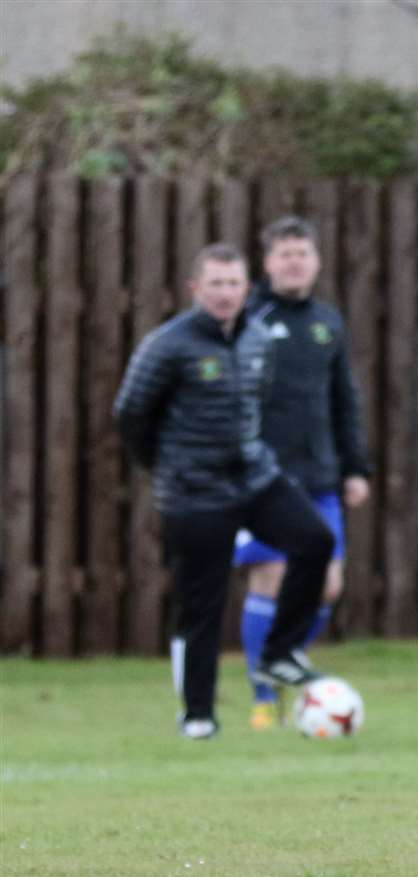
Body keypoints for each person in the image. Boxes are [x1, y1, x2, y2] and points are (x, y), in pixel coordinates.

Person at [113, 242, 332, 739]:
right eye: (215, 283)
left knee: (315, 541)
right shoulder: (168, 344)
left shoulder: (257, 337)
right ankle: (197, 714)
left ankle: (279, 654)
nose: (225, 293)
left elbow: (255, 405)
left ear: (246, 289)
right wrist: (163, 464)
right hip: (194, 492)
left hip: (255, 477)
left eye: (234, 283)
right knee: (202, 603)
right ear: (195, 289)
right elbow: (130, 412)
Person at [232, 216, 373, 730]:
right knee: (270, 574)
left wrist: (354, 468)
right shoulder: (248, 319)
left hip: (320, 477)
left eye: (302, 253)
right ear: (267, 263)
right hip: (263, 478)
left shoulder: (327, 322)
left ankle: (284, 662)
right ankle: (262, 695)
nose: (294, 262)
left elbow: (344, 401)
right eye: (284, 253)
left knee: (328, 585)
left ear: (315, 261)